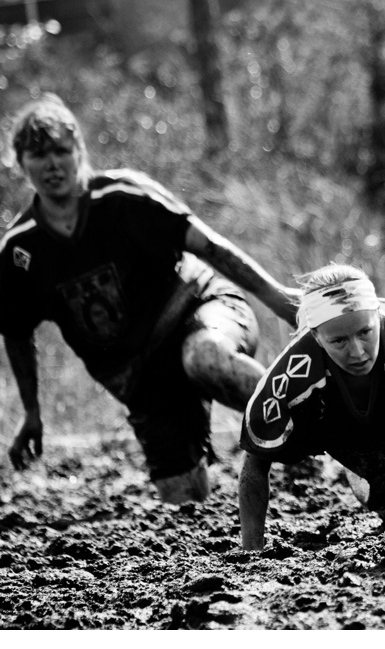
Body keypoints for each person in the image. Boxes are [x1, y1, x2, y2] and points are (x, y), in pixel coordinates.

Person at [1, 93, 300, 503]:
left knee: (205, 358)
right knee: (183, 499)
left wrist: (278, 300)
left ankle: (307, 424)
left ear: (79, 151)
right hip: (142, 379)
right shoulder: (20, 249)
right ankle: (191, 430)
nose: (52, 164)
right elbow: (16, 332)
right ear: (20, 164)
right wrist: (32, 413)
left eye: (61, 151)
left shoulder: (125, 197)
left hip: (198, 312)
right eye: (38, 155)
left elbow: (211, 247)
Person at [237, 263, 385, 551]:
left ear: (379, 317)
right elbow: (255, 460)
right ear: (316, 337)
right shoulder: (287, 380)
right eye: (339, 341)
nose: (358, 352)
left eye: (365, 332)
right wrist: (251, 551)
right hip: (360, 448)